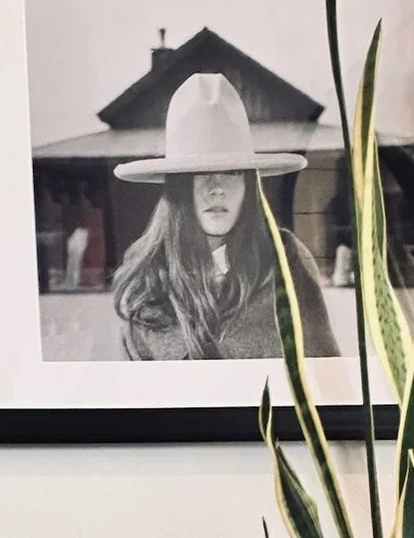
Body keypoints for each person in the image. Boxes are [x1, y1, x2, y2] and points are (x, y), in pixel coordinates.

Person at [112, 72, 339, 361]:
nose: (216, 188)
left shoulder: (286, 259)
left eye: (232, 172)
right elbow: (129, 387)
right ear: (178, 187)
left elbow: (325, 371)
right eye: (199, 173)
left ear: (249, 185)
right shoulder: (144, 279)